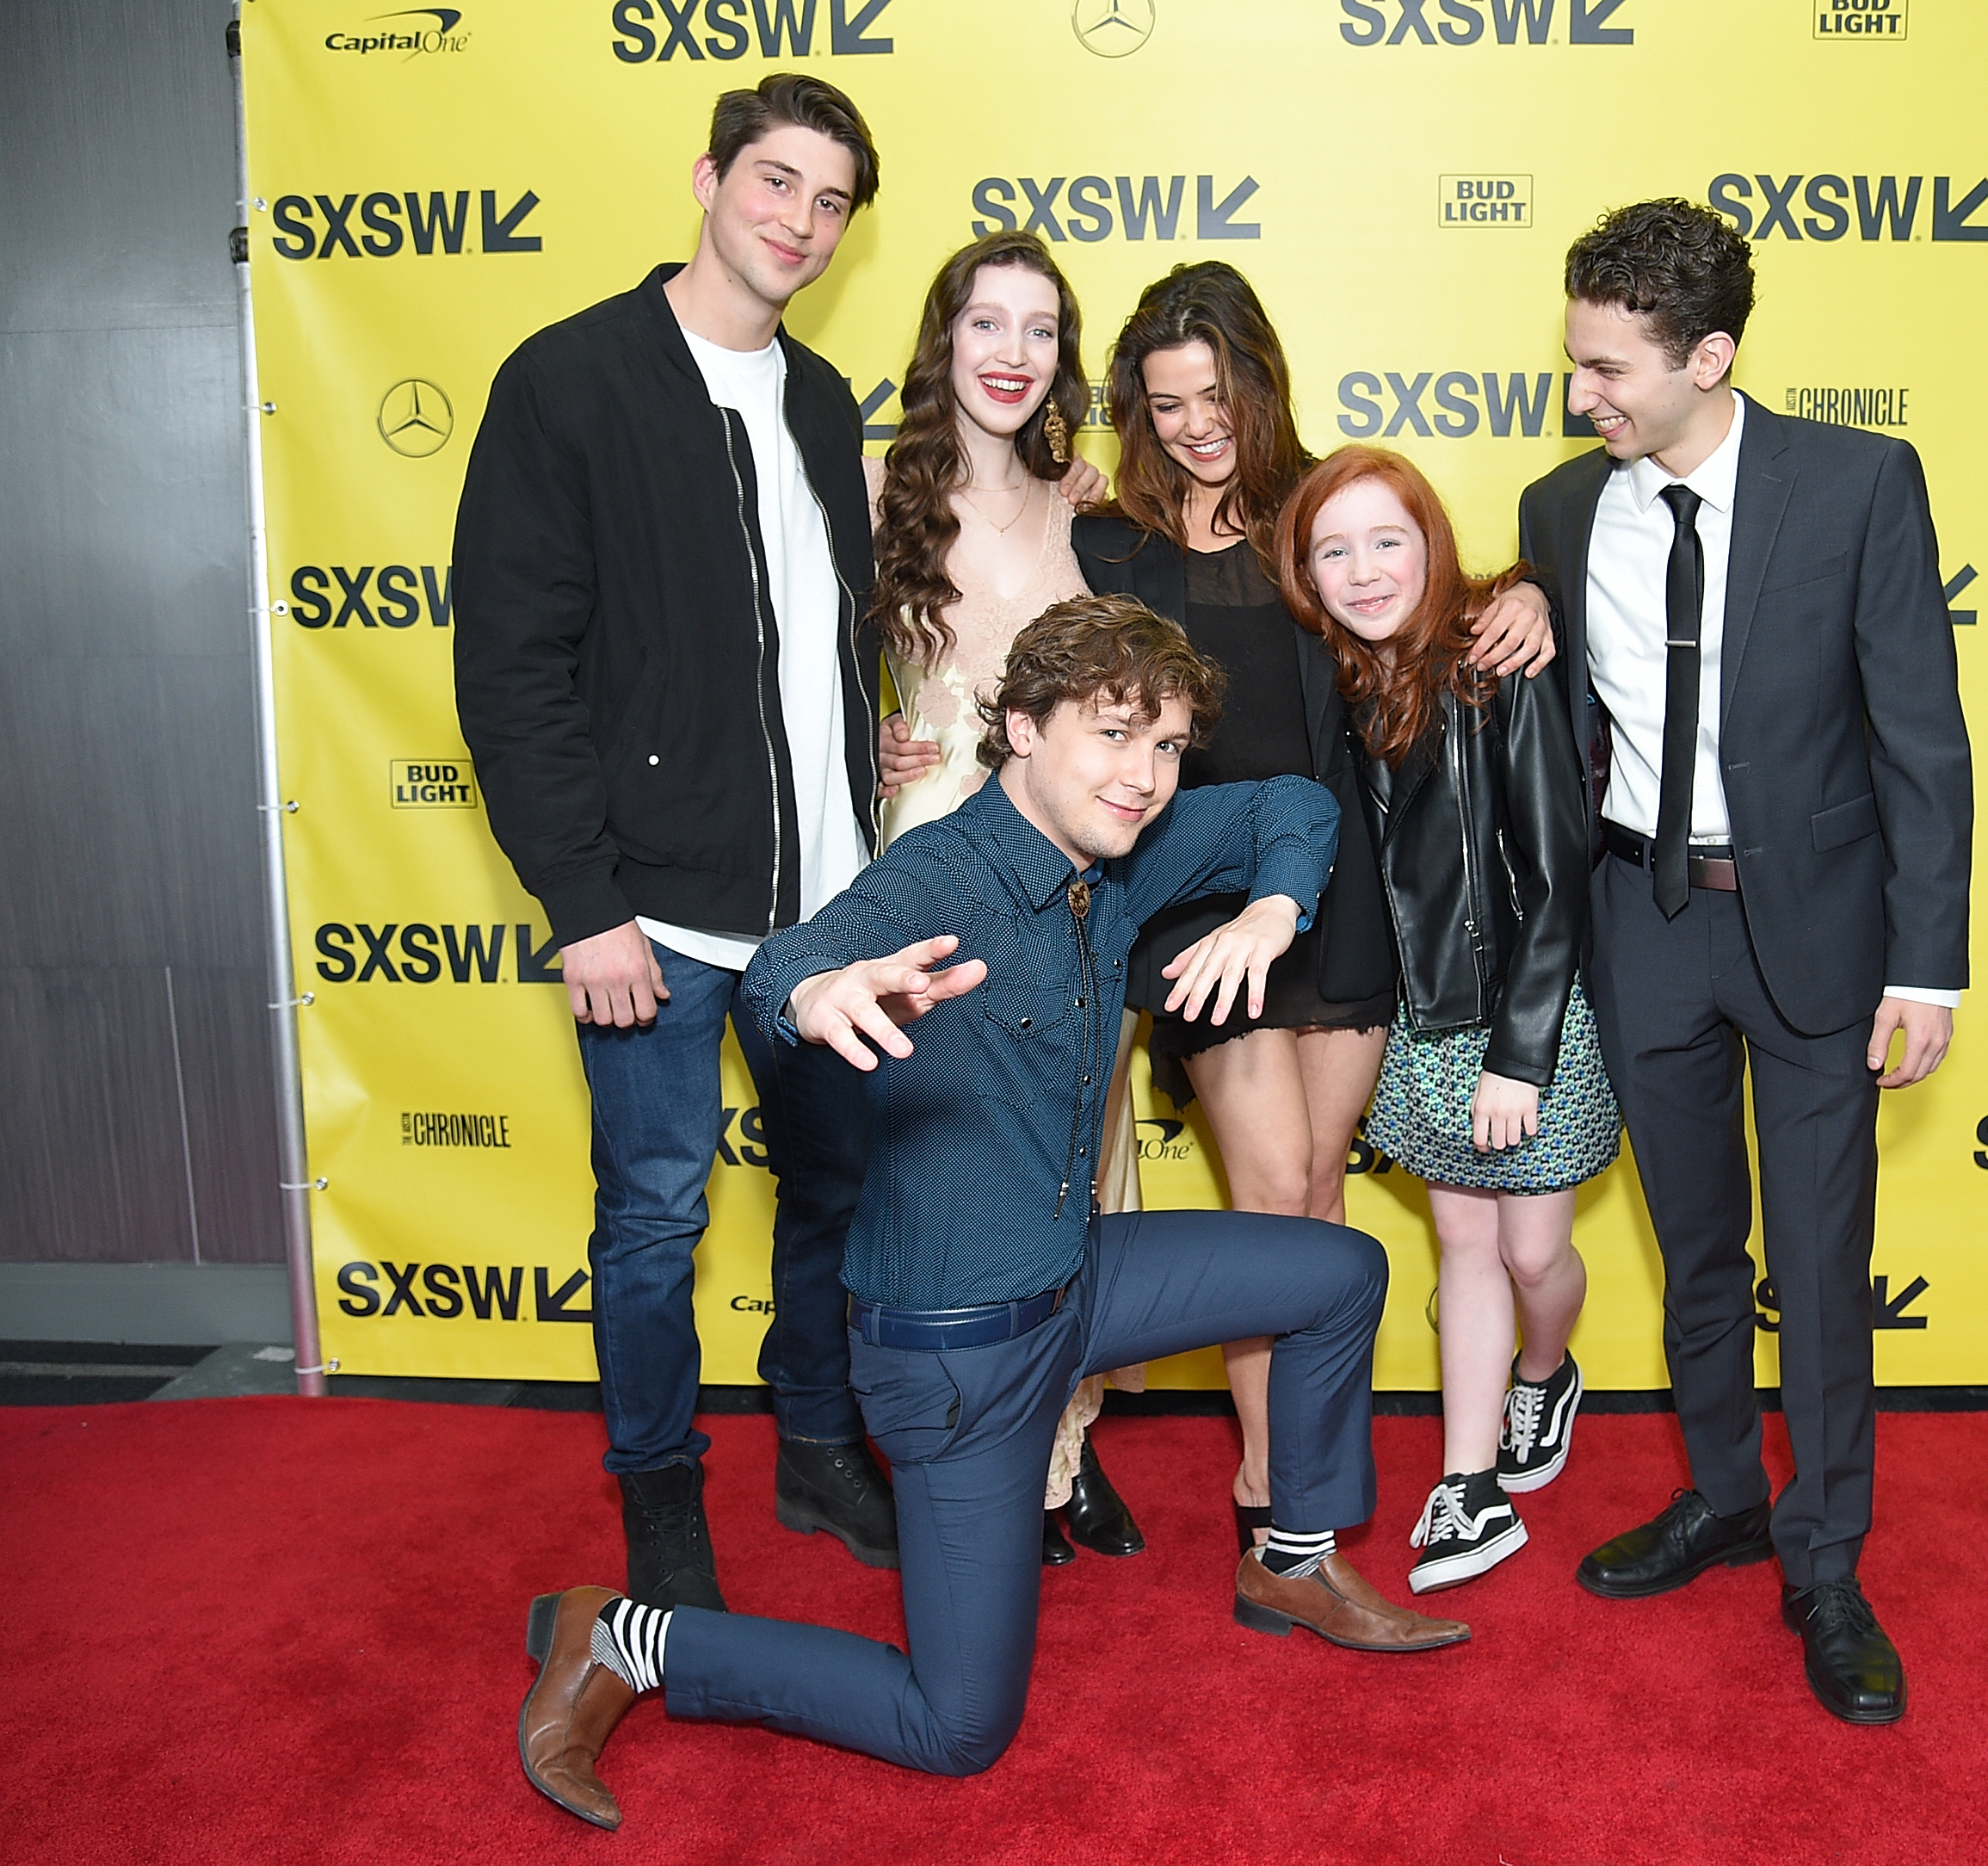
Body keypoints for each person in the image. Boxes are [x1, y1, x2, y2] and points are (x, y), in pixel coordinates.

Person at [516, 596, 1471, 1831]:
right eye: (1117, 735)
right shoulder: (941, 875)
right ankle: (631, 1637)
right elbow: (790, 963)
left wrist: (1273, 909)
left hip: (1078, 1283)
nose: (1147, 777)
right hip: (958, 1354)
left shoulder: (1117, 853)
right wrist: (817, 995)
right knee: (957, 1728)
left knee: (1337, 1273)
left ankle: (1291, 1560)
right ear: (1019, 727)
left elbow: (1298, 805)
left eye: (1170, 746)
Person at [1516, 200, 1973, 1724]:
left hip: (1824, 935)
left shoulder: (1857, 484)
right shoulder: (1564, 511)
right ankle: (1721, 1497)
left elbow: (1921, 738)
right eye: (1576, 363)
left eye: (1609, 369)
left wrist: (1931, 966)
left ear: (1709, 356)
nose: (1584, 395)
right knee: (1695, 1247)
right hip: (1645, 923)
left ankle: (1825, 1558)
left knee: (1822, 1266)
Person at [452, 73, 898, 1610]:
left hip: (828, 914)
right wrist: (583, 903)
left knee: (833, 1200)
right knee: (653, 1216)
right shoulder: (568, 381)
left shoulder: (827, 401)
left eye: (832, 202)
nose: (801, 223)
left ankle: (820, 1443)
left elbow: (811, 643)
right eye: (777, 184)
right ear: (706, 180)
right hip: (652, 908)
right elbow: (511, 670)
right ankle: (656, 1487)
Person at [1059, 260, 1554, 1548]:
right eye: (1164, 404)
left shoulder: (1318, 513)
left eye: (1214, 395)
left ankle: (1311, 1480)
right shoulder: (1108, 539)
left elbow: (1428, 589)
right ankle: (1272, 1490)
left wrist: (1532, 589)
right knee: (1271, 1186)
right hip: (1194, 913)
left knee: (1319, 1190)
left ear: (1258, 381)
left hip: (1341, 905)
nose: (1192, 426)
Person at [1276, 448, 1616, 1594]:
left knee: (1532, 1252)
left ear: (1431, 545)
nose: (1365, 571)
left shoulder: (1493, 663)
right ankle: (1470, 1487)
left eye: (1387, 542)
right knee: (1465, 1245)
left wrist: (1520, 1054)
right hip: (1421, 1023)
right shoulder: (1334, 683)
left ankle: (1549, 1368)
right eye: (1335, 550)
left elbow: (1563, 875)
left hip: (1528, 1007)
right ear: (1307, 571)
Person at [864, 228, 1143, 1565]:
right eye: (989, 325)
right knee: (967, 1162)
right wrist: (861, 742)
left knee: (1085, 1152)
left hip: (1079, 877)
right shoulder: (873, 492)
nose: (1013, 355)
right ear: (945, 339)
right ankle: (978, 1447)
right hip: (934, 856)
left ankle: (1069, 1446)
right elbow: (788, 666)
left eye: (1040, 331)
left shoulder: (1083, 505)